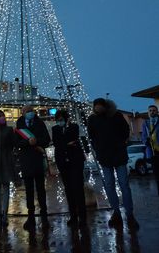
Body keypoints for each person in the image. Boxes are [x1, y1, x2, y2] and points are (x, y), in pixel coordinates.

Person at [87, 98, 139, 229]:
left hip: (119, 156)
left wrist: (121, 143)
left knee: (124, 185)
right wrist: (98, 148)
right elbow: (91, 136)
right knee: (109, 186)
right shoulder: (93, 119)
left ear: (105, 107)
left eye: (100, 107)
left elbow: (125, 130)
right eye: (96, 107)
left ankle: (129, 214)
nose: (98, 109)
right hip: (105, 158)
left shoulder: (116, 116)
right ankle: (116, 212)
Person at [15, 105, 51, 231]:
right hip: (25, 161)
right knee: (29, 190)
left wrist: (37, 141)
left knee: (41, 189)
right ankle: (31, 217)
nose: (30, 113)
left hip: (37, 160)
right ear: (22, 112)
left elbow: (47, 139)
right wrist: (27, 142)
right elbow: (16, 142)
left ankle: (44, 216)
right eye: (27, 111)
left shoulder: (40, 123)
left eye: (31, 111)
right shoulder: (19, 124)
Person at [52, 109, 86, 228]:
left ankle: (82, 217)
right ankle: (73, 216)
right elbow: (56, 143)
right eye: (57, 119)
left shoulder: (74, 127)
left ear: (66, 119)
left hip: (76, 161)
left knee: (78, 188)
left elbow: (75, 139)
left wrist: (64, 142)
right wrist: (66, 144)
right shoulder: (55, 129)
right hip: (62, 161)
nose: (59, 121)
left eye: (61, 119)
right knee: (68, 189)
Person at [142, 105, 159, 195]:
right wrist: (146, 142)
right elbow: (143, 136)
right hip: (153, 153)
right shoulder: (146, 123)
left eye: (154, 110)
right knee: (157, 176)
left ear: (157, 112)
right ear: (148, 112)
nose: (152, 112)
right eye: (150, 110)